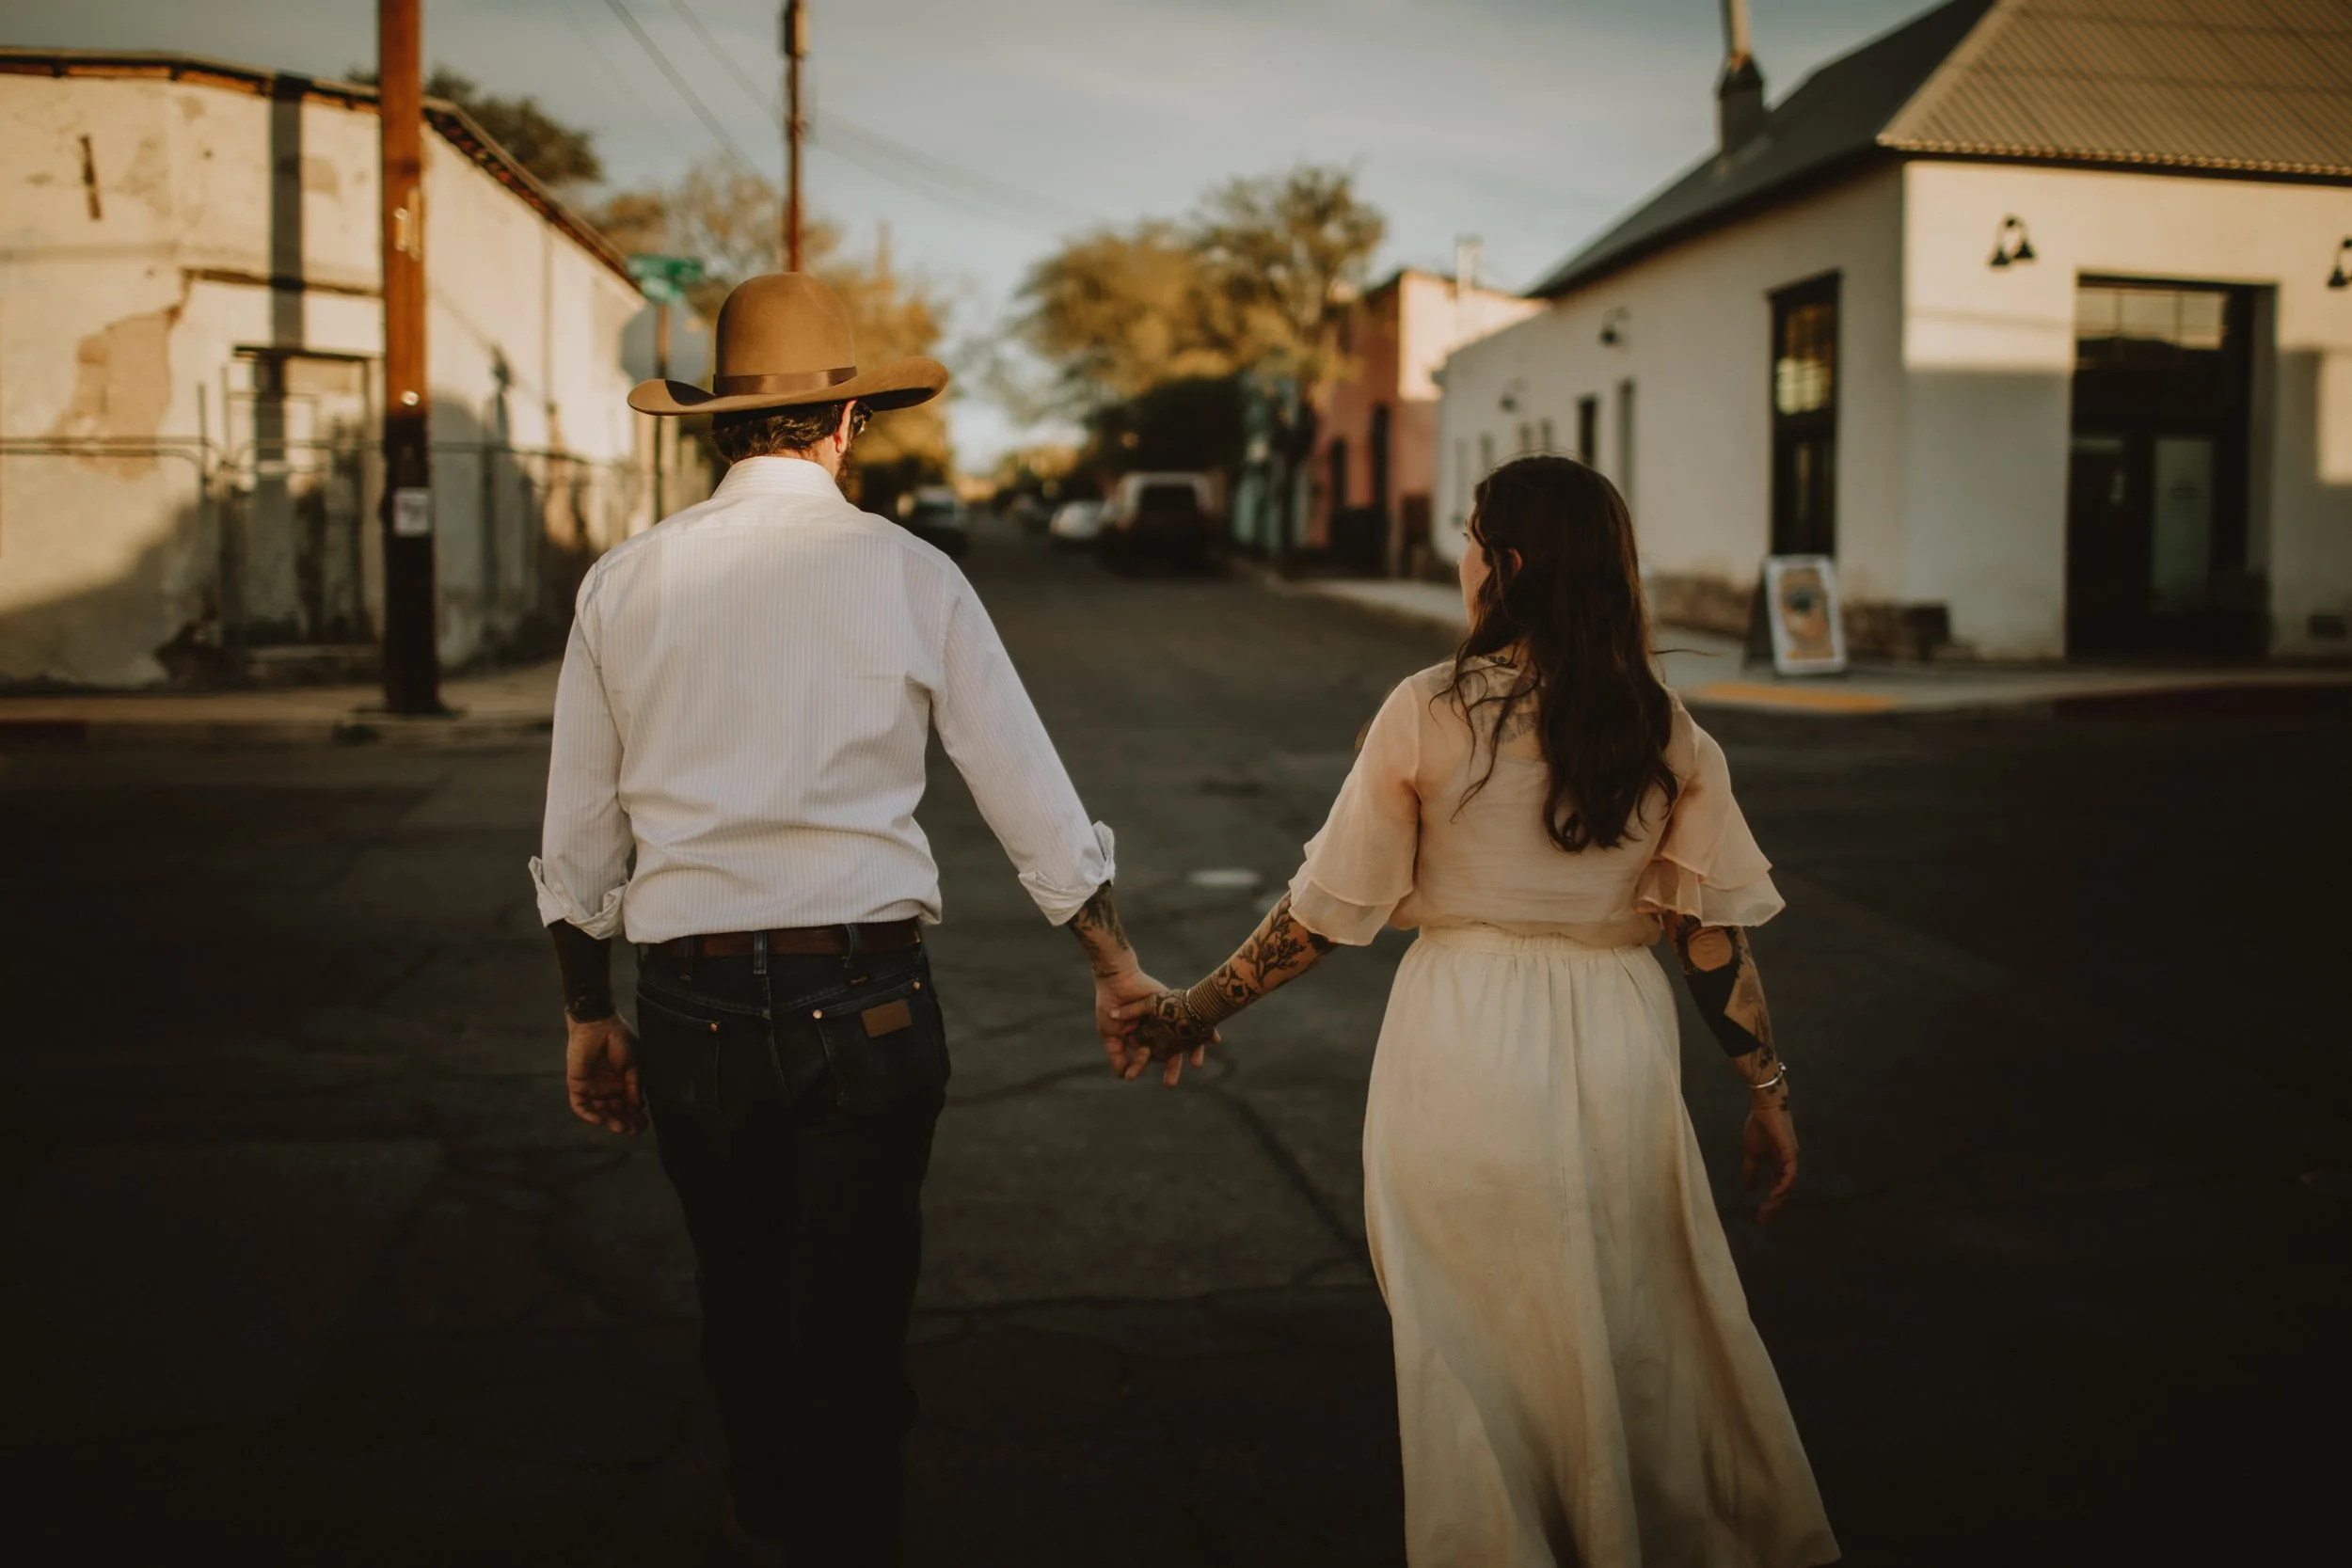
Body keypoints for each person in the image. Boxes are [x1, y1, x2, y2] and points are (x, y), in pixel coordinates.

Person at [531, 273, 1168, 1567]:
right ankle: (849, 1530)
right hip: (866, 1002)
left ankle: (761, 1514)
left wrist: (588, 1012)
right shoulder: (910, 572)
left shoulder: (623, 584)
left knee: (739, 1288)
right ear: (847, 424)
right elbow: (1027, 790)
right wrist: (1114, 961)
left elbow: (579, 834)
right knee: (856, 1314)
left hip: (690, 1003)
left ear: (716, 427)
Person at [1119, 454, 1840, 1567]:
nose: (1461, 557)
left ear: (1503, 563)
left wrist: (1186, 1008)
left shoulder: (1428, 711)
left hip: (1460, 1044)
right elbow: (1707, 933)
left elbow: (1320, 913)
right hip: (1618, 1046)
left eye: (1470, 536)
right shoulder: (1663, 726)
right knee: (1631, 1328)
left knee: (1469, 1354)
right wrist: (1766, 1090)